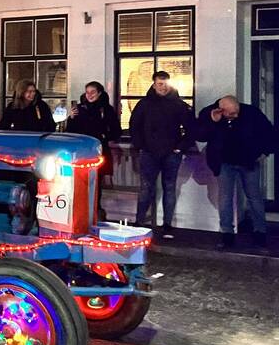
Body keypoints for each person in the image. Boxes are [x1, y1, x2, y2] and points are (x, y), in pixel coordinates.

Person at [193, 95, 274, 249]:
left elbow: (268, 130)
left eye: (237, 112)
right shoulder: (209, 113)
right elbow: (200, 135)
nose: (236, 116)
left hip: (248, 160)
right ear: (221, 110)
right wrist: (212, 121)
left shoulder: (250, 112)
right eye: (231, 114)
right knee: (225, 198)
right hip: (224, 162)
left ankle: (260, 232)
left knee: (254, 196)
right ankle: (227, 234)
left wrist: (265, 151)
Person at [129, 71, 195, 236]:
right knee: (146, 188)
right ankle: (139, 222)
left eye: (165, 84)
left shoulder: (179, 105)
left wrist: (181, 146)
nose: (163, 87)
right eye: (160, 84)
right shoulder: (145, 104)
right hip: (150, 152)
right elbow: (134, 126)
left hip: (171, 153)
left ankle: (166, 224)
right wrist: (141, 145)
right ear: (153, 84)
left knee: (169, 188)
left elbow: (191, 129)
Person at [67, 81, 122, 215]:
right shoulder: (80, 108)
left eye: (93, 92)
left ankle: (95, 209)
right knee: (80, 181)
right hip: (81, 151)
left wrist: (104, 136)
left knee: (96, 181)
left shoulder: (106, 109)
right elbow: (70, 131)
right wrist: (72, 118)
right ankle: (80, 209)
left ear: (99, 93)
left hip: (99, 150)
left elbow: (115, 130)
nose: (90, 95)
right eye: (87, 92)